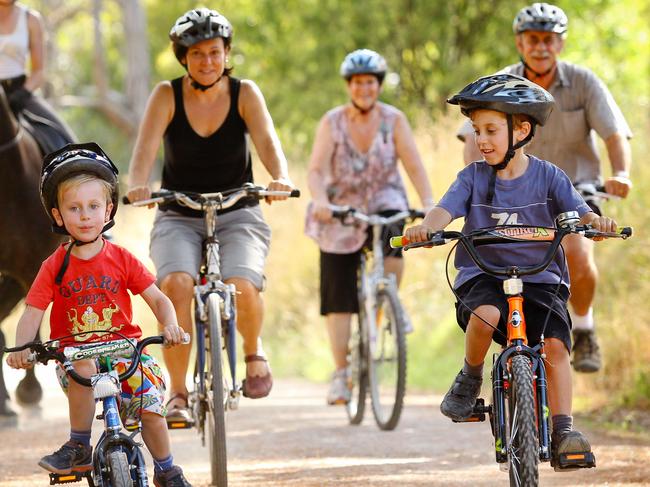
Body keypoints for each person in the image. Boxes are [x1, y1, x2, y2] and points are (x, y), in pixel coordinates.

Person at [406, 74, 616, 466]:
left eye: (490, 130)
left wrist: (596, 223)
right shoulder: (472, 177)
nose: (481, 140)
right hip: (484, 274)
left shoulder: (550, 176)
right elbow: (444, 209)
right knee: (485, 316)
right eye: (476, 130)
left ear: (521, 130)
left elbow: (581, 210)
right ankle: (470, 377)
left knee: (555, 345)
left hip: (540, 277)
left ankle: (564, 430)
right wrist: (427, 227)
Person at [126, 8, 295, 422]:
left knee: (242, 283)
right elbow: (144, 152)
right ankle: (178, 393)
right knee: (176, 283)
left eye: (215, 53)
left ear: (226, 53)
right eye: (197, 53)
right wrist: (138, 185)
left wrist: (280, 178)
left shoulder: (245, 93)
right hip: (178, 212)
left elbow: (269, 144)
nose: (207, 61)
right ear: (184, 57)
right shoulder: (166, 95)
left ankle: (254, 352)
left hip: (239, 210)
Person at [457, 2, 633, 373]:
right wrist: (478, 188)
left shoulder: (584, 82)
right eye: (532, 39)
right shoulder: (500, 82)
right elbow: (472, 140)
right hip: (518, 192)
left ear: (561, 44)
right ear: (520, 44)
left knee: (579, 255)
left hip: (575, 189)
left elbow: (614, 134)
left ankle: (583, 327)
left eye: (549, 39)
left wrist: (621, 172)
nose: (541, 47)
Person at [6, 143, 192, 487]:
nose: (85, 215)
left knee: (151, 408)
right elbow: (32, 312)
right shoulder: (55, 265)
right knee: (83, 365)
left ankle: (167, 469)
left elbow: (159, 300)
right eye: (74, 208)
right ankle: (78, 444)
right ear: (58, 215)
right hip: (75, 356)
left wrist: (170, 325)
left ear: (108, 210)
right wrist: (22, 348)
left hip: (126, 352)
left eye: (93, 207)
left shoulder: (122, 258)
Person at [305, 49, 434, 405]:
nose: (365, 88)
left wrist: (429, 203)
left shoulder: (394, 120)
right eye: (359, 82)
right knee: (338, 292)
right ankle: (342, 373)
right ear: (349, 86)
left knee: (396, 230)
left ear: (378, 86)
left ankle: (388, 297)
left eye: (371, 82)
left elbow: (413, 164)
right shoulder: (332, 122)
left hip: (383, 197)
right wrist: (320, 201)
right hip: (341, 205)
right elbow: (316, 170)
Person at [0, 0, 75, 146]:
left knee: (64, 139)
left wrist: (22, 94)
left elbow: (39, 71)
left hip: (19, 93)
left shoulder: (31, 19)